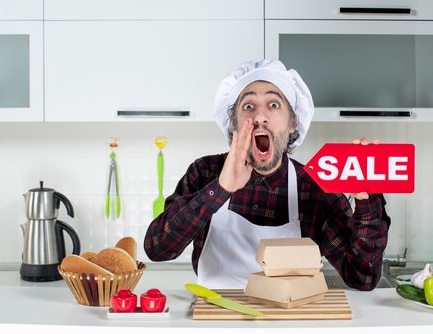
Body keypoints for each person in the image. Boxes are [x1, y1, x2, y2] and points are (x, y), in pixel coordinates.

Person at [144, 59, 390, 290]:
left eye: (274, 105)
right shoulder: (205, 172)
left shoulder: (317, 188)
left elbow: (362, 277)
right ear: (234, 123)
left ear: (292, 123)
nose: (260, 116)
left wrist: (366, 201)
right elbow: (157, 249)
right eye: (248, 106)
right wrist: (220, 188)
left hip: (290, 323)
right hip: (217, 322)